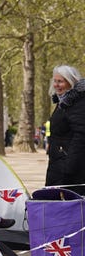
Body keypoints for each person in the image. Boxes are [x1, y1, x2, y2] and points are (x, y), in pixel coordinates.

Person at [45, 64, 85, 194]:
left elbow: (80, 136)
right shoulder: (63, 102)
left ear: (70, 82)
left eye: (60, 81)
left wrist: (69, 167)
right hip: (58, 162)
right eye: (55, 81)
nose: (56, 84)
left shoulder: (77, 103)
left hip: (69, 167)